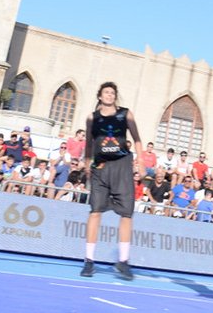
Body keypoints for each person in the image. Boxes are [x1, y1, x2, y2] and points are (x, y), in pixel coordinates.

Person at [81, 82, 143, 281]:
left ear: (115, 96)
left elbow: (137, 138)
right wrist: (87, 162)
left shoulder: (125, 114)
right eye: (106, 92)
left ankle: (123, 261)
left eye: (112, 92)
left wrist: (140, 161)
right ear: (99, 96)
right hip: (100, 167)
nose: (109, 95)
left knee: (126, 214)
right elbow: (89, 143)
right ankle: (89, 260)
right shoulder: (92, 117)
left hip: (122, 166)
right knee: (95, 212)